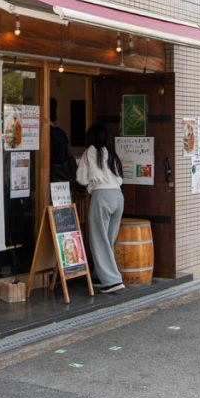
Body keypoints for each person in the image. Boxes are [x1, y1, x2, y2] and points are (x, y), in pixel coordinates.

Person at [76, 123, 125, 293]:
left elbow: (81, 178)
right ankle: (99, 275)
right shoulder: (111, 153)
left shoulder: (89, 152)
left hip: (102, 196)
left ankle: (112, 281)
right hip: (118, 196)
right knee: (108, 239)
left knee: (98, 239)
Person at [49, 98, 76, 183]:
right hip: (62, 176)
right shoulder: (61, 133)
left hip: (50, 175)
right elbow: (67, 153)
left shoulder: (43, 133)